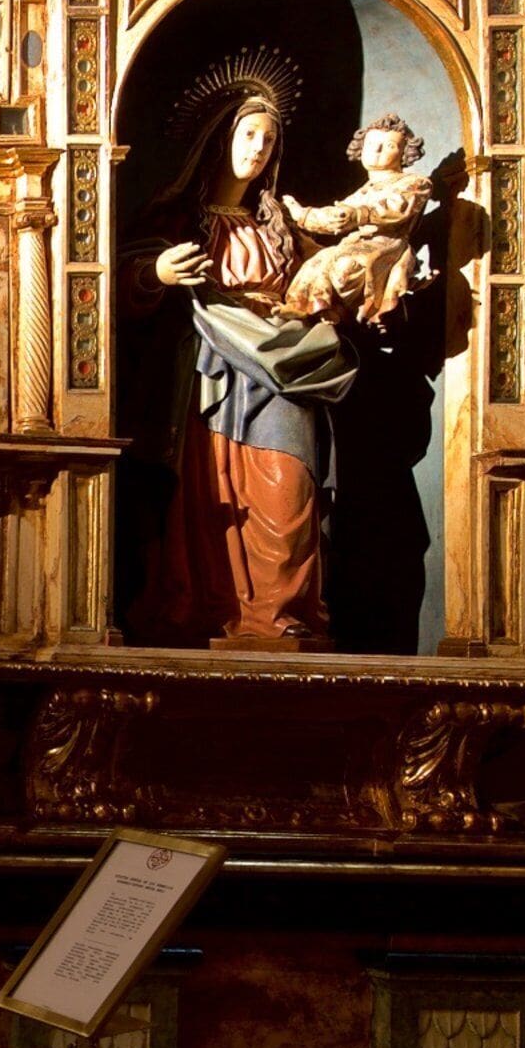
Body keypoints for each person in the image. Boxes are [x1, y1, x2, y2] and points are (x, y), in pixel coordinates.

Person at [126, 52, 357, 648]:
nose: (257, 148)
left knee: (290, 491)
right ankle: (208, 612)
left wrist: (332, 296)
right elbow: (113, 283)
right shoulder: (177, 214)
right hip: (206, 373)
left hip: (284, 369)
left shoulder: (279, 219)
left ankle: (281, 616)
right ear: (220, 136)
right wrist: (157, 270)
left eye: (268, 139)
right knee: (206, 500)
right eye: (247, 134)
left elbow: (320, 281)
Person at [282, 116, 434, 327]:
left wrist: (359, 215)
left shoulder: (415, 183)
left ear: (404, 152)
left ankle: (336, 313)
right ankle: (303, 307)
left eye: (388, 145)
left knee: (346, 266)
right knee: (318, 261)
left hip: (386, 246)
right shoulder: (364, 191)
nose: (377, 150)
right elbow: (337, 216)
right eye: (371, 144)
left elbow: (396, 208)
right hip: (356, 243)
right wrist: (302, 215)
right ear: (361, 148)